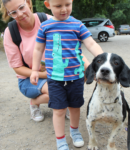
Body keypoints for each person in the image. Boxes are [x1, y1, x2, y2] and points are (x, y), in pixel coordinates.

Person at [30, 0, 104, 149]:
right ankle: (60, 139)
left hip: (76, 78)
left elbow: (91, 44)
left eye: (68, 4)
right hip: (55, 79)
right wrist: (34, 70)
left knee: (75, 107)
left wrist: (103, 61)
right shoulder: (45, 26)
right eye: (58, 6)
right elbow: (38, 49)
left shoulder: (77, 25)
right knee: (58, 110)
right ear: (48, 5)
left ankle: (74, 131)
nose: (64, 9)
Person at [1, 0, 90, 122]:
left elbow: (72, 49)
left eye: (22, 7)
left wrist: (89, 67)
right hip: (30, 79)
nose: (20, 14)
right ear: (8, 13)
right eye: (13, 12)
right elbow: (17, 67)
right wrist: (43, 74)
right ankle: (34, 102)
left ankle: (68, 104)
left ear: (28, 2)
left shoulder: (48, 20)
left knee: (81, 75)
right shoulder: (10, 32)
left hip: (56, 73)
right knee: (57, 90)